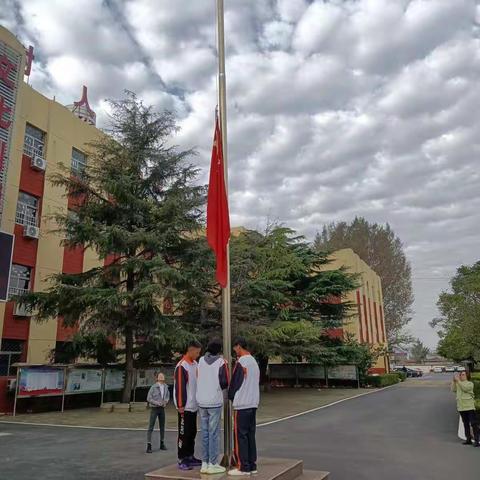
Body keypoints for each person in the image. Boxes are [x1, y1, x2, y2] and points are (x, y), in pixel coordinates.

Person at [196, 338, 230, 474]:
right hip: (214, 401)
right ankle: (213, 463)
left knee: (204, 433)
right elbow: (224, 382)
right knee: (213, 433)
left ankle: (204, 463)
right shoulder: (221, 362)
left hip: (201, 401)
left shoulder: (200, 361)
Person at [228, 337, 260, 476]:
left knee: (240, 436)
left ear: (239, 346)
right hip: (253, 403)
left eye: (235, 348)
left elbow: (235, 382)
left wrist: (230, 395)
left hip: (242, 404)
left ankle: (243, 467)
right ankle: (252, 465)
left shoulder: (241, 362)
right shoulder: (254, 361)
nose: (235, 351)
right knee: (250, 435)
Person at [174, 340, 202, 470]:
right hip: (185, 407)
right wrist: (180, 404)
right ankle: (182, 458)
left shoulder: (195, 364)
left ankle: (190, 455)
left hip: (194, 405)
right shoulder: (182, 366)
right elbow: (180, 387)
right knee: (183, 433)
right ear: (190, 350)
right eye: (197, 352)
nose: (198, 355)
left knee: (192, 432)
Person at [452, 371, 479, 447]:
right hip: (461, 407)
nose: (461, 376)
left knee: (473, 423)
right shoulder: (458, 383)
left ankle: (477, 440)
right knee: (466, 424)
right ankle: (468, 439)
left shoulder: (470, 383)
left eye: (463, 375)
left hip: (469, 407)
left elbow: (465, 389)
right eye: (460, 375)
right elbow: (453, 390)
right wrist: (454, 382)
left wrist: (458, 381)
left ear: (467, 376)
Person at [146, 372, 170, 453]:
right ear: (157, 378)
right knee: (151, 426)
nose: (162, 377)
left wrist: (165, 402)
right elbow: (149, 398)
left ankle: (162, 443)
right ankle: (149, 445)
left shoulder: (166, 387)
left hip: (162, 409)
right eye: (160, 376)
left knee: (162, 426)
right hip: (154, 409)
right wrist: (157, 403)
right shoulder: (153, 387)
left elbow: (167, 396)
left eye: (163, 375)